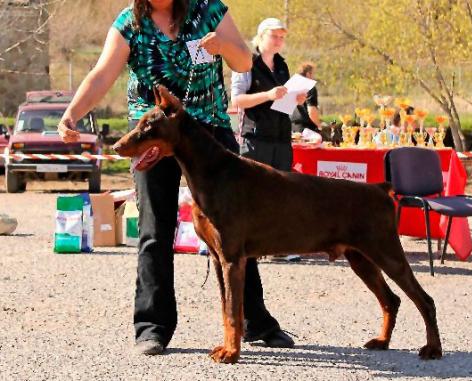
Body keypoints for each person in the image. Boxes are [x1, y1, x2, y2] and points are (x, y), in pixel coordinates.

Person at [57, 0, 294, 355]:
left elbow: (244, 61)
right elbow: (102, 73)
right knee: (155, 230)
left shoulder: (209, 9)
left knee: (236, 231)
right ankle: (153, 327)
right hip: (154, 135)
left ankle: (255, 321)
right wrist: (71, 114)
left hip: (209, 131)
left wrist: (223, 46)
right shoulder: (129, 23)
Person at [231, 17, 307, 172]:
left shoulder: (282, 65)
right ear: (260, 36)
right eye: (274, 36)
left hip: (282, 141)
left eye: (282, 37)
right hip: (256, 140)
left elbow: (283, 102)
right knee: (254, 191)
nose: (278, 41)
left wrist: (296, 100)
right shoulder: (245, 62)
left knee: (281, 193)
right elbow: (237, 101)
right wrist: (268, 95)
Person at [290, 62, 321, 133]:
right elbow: (311, 111)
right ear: (308, 74)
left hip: (291, 128)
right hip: (306, 129)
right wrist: (319, 126)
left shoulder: (291, 87)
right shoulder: (309, 87)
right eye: (313, 73)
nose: (313, 76)